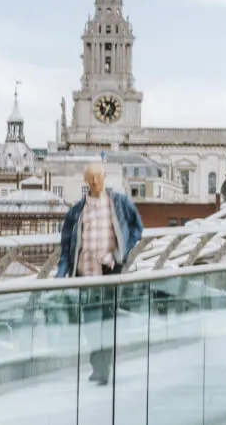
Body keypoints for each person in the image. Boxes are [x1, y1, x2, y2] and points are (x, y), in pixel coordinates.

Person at [56, 162, 143, 386]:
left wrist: (119, 254)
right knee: (92, 325)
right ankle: (99, 367)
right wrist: (60, 276)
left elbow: (137, 228)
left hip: (109, 274)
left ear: (104, 177)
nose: (95, 182)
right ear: (86, 181)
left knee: (108, 322)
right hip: (85, 276)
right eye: (91, 178)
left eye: (98, 177)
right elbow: (66, 247)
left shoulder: (120, 202)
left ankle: (103, 369)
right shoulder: (76, 212)